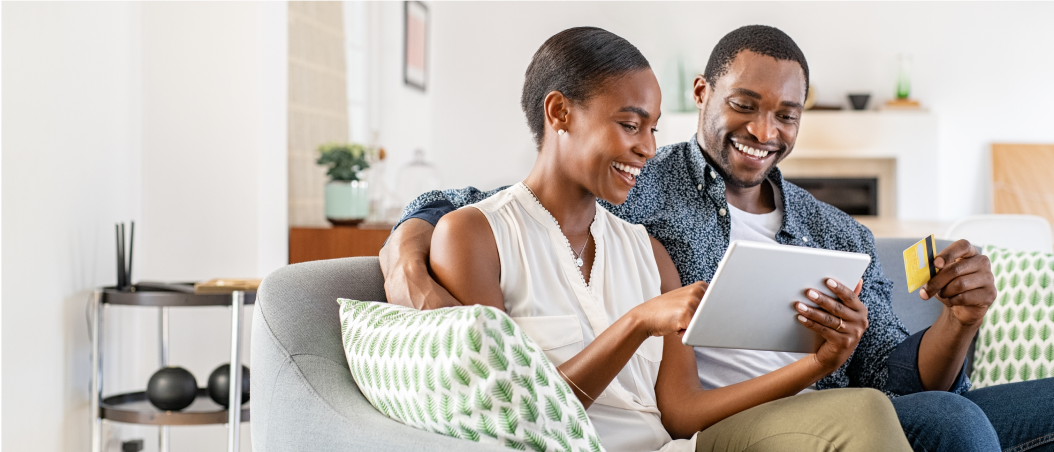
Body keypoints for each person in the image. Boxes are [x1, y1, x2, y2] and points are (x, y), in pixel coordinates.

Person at [381, 25, 1054, 452]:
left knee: (965, 410)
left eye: (786, 116)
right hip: (738, 426)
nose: (766, 132)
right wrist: (410, 251)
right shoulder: (641, 186)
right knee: (954, 424)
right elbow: (483, 203)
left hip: (854, 403)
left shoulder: (834, 229)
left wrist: (962, 321)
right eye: (744, 105)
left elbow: (892, 378)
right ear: (703, 93)